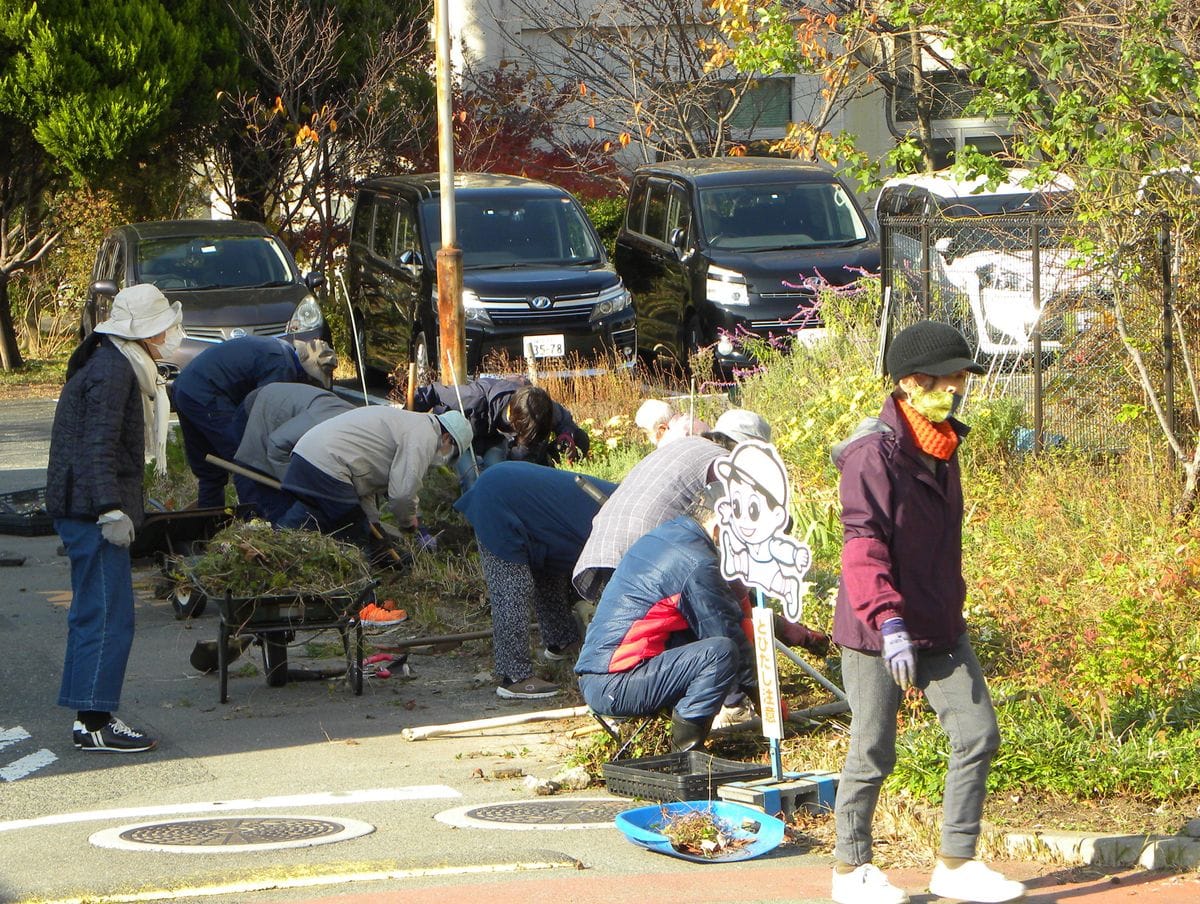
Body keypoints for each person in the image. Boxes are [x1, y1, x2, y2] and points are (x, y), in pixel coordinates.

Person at [829, 321, 1024, 904]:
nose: (959, 389)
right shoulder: (872, 455)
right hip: (875, 628)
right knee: (872, 746)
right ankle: (850, 869)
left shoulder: (943, 446)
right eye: (951, 379)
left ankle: (956, 863)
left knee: (977, 733)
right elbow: (862, 543)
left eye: (962, 379)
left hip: (939, 622)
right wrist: (888, 621)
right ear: (913, 382)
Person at [45, 284, 184, 752]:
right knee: (107, 615)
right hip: (91, 509)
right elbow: (96, 446)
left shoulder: (109, 359)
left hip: (81, 505)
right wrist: (109, 509)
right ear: (146, 330)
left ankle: (90, 716)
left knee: (94, 612)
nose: (169, 332)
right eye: (163, 324)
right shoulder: (114, 369)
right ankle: (95, 720)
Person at [575, 488, 757, 752]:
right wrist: (766, 700)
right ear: (720, 525)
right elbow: (728, 632)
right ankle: (685, 752)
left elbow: (726, 611)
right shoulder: (697, 563)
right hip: (616, 683)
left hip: (600, 677)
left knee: (702, 639)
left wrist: (795, 633)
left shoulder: (668, 536)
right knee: (721, 652)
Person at [572, 408, 773, 604]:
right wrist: (744, 600)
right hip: (649, 553)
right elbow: (730, 544)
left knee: (626, 632)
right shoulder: (724, 464)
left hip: (603, 548)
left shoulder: (681, 446)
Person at [454, 461, 616, 700]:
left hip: (533, 512)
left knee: (550, 573)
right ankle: (515, 678)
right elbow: (618, 589)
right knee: (513, 589)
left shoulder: (625, 501)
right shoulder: (628, 520)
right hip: (500, 499)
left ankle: (561, 642)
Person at [172, 335, 337, 508]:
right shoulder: (281, 366)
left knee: (210, 473)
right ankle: (254, 521)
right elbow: (262, 414)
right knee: (248, 460)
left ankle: (208, 524)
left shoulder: (280, 350)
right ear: (308, 371)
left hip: (185, 389)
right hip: (207, 395)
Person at [277, 406, 473, 549]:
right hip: (328, 464)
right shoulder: (424, 436)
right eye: (452, 454)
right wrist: (408, 521)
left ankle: (274, 547)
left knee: (311, 517)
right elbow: (402, 494)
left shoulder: (409, 422)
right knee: (354, 536)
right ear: (447, 438)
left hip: (307, 456)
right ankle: (360, 593)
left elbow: (364, 486)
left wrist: (374, 523)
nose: (446, 458)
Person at [412, 377, 588, 488]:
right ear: (514, 420)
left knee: (497, 476)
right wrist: (407, 417)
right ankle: (471, 525)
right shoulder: (475, 397)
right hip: (462, 438)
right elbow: (432, 392)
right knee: (472, 479)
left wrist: (566, 435)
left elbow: (564, 420)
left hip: (492, 440)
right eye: (525, 433)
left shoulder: (538, 407)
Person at [233, 383, 355, 520]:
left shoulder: (356, 438)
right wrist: (296, 488)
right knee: (259, 483)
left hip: (289, 425)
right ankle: (259, 529)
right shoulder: (322, 422)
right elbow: (276, 445)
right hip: (260, 409)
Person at [634, 398, 709, 448]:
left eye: (648, 433)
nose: (647, 438)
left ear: (661, 429)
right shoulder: (691, 420)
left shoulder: (668, 443)